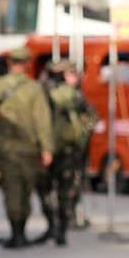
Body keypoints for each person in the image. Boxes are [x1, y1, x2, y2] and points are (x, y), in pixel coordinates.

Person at [0, 47, 54, 248]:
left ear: (10, 63)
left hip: (6, 148)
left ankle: (16, 233)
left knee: (11, 189)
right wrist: (47, 149)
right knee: (26, 190)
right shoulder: (35, 89)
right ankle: (21, 231)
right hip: (29, 149)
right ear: (27, 64)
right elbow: (42, 121)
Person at [44, 60, 96, 246]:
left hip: (52, 149)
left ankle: (55, 226)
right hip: (67, 149)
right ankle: (60, 227)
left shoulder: (47, 92)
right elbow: (91, 119)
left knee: (50, 190)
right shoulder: (72, 96)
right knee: (65, 191)